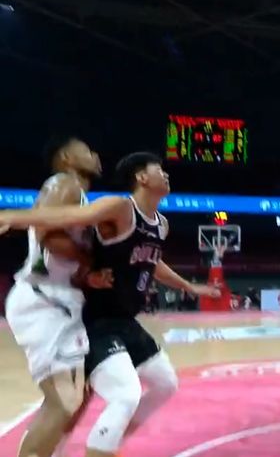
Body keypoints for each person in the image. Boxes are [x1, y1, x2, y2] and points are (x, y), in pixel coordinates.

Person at [0, 152, 220, 457]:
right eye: (159, 170)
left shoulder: (162, 224)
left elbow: (152, 261)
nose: (167, 175)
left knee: (166, 383)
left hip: (124, 318)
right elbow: (67, 217)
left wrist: (189, 286)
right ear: (142, 178)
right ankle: (99, 449)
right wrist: (14, 217)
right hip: (96, 318)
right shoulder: (119, 208)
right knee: (124, 395)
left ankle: (107, 440)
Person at [3, 135, 112, 457]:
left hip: (58, 299)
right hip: (44, 299)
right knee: (63, 400)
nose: (95, 155)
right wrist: (90, 259)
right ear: (66, 158)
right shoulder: (65, 183)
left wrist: (87, 273)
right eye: (87, 150)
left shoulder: (78, 196)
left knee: (77, 395)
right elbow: (46, 234)